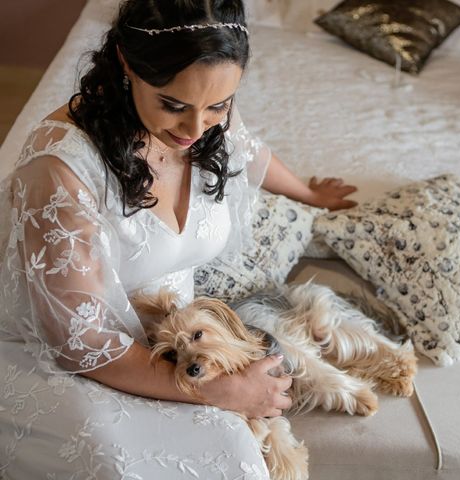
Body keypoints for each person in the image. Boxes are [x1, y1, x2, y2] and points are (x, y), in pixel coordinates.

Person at [0, 0, 357, 477]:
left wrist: (310, 193)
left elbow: (249, 155)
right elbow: (77, 342)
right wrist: (216, 391)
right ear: (127, 64)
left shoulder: (204, 113)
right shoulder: (61, 172)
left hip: (175, 339)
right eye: (173, 105)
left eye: (219, 105)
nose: (195, 129)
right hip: (70, 356)